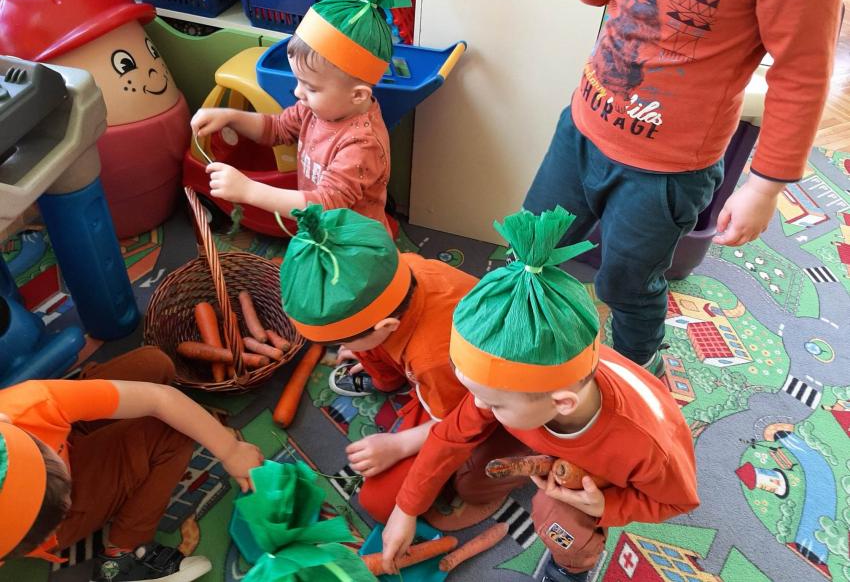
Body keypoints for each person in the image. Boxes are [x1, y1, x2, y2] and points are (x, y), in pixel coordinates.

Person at [523, 0, 845, 374]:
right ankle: (518, 338)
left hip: (667, 171)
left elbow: (802, 76)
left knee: (627, 285)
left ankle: (639, 368)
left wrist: (765, 187)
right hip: (583, 126)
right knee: (532, 247)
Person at [379, 207, 699, 582]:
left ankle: (572, 566)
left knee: (558, 522)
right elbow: (450, 435)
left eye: (492, 402)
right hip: (548, 433)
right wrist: (406, 508)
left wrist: (605, 505)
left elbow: (677, 501)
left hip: (595, 478)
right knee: (473, 477)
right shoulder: (519, 390)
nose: (477, 405)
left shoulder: (648, 447)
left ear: (562, 402)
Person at [279, 204, 508, 524]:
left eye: (343, 339)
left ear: (386, 327)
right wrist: (366, 349)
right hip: (422, 353)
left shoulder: (432, 358)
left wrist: (400, 445)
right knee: (368, 351)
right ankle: (382, 364)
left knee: (380, 502)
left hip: (475, 392)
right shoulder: (398, 268)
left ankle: (507, 447)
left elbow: (462, 420)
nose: (340, 347)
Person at [190, 0, 432, 234]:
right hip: (319, 233)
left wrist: (249, 190)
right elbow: (277, 129)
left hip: (351, 246)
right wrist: (230, 117)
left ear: (358, 95)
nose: (297, 93)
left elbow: (325, 205)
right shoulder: (316, 108)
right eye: (298, 81)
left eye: (311, 87)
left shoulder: (361, 145)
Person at [0, 347, 264, 582]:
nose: (68, 499)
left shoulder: (29, 403)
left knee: (152, 365)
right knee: (171, 431)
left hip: (63, 434)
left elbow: (159, 399)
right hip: (48, 526)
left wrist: (230, 450)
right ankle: (123, 558)